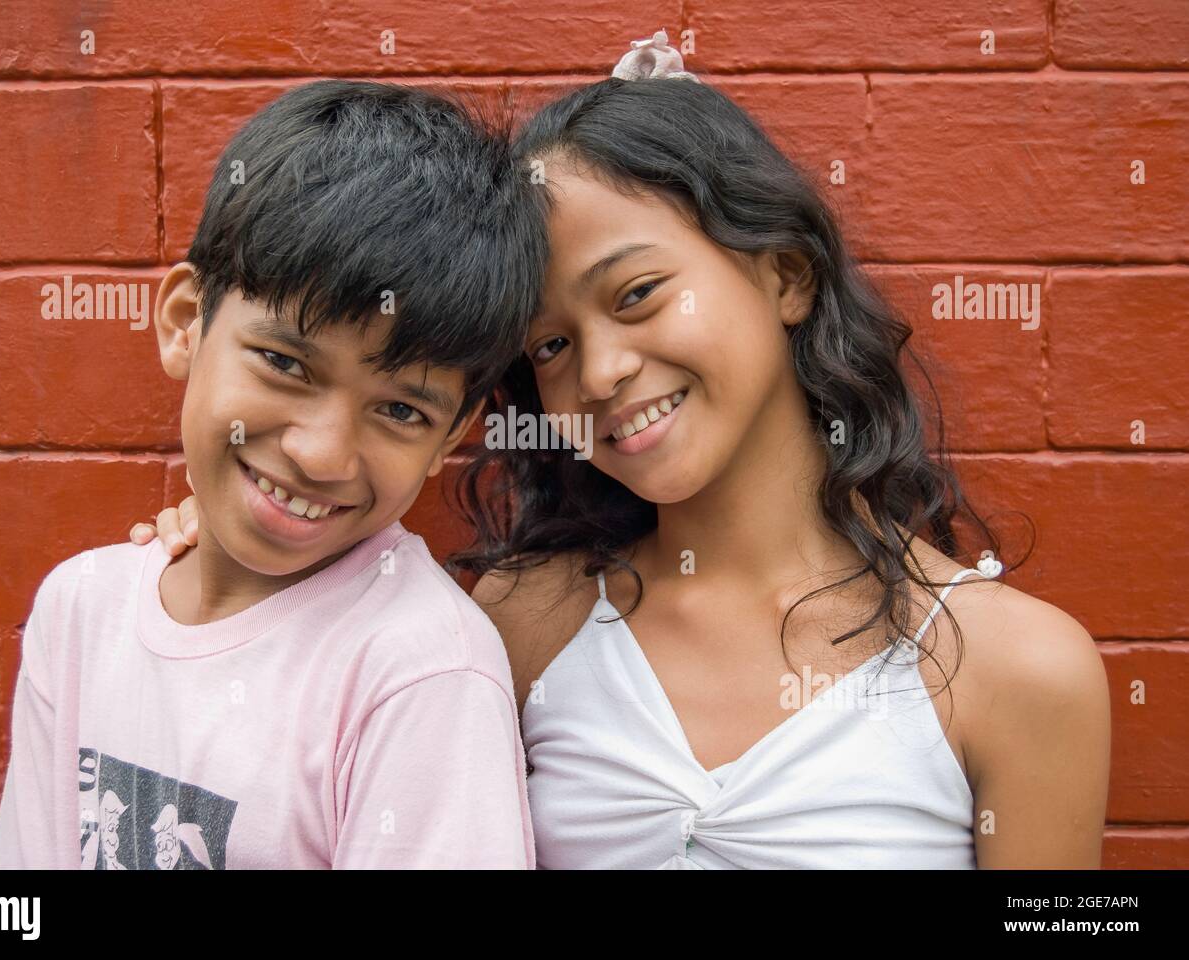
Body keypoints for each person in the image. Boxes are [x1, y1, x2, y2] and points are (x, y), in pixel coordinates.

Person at [136, 41, 1111, 869]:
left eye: (637, 294)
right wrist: (220, 550)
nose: (598, 372)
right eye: (550, 346)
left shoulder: (1016, 669)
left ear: (785, 274)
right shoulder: (523, 623)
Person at [0, 79, 547, 869]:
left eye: (400, 412)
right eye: (285, 363)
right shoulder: (82, 614)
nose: (321, 454)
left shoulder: (420, 673)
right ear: (186, 323)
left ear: (451, 434)